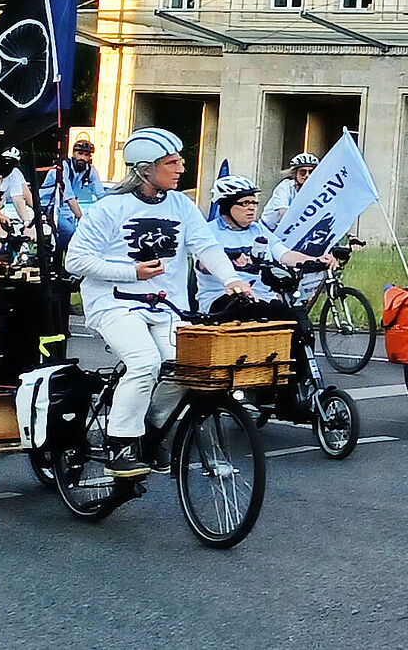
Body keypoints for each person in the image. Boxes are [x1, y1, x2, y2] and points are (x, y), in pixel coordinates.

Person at [65, 128, 253, 477]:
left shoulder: (181, 204)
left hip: (167, 306)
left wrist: (231, 279)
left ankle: (152, 428)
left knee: (187, 368)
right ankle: (120, 444)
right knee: (144, 362)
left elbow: (206, 246)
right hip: (114, 304)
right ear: (145, 169)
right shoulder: (110, 208)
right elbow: (75, 260)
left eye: (180, 161)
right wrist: (131, 272)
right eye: (171, 163)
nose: (181, 168)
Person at [194, 174, 339, 311]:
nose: (252, 207)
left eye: (254, 203)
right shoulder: (209, 232)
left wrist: (316, 259)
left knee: (294, 319)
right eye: (245, 203)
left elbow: (285, 255)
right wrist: (230, 257)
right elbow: (204, 265)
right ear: (227, 206)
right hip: (222, 298)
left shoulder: (259, 229)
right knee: (252, 310)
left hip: (262, 298)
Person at [39, 139, 107, 254]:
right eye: (80, 153)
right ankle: (57, 258)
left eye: (86, 155)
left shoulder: (89, 170)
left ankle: (64, 260)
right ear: (73, 154)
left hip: (67, 211)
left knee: (77, 235)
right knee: (69, 232)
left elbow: (101, 194)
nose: (82, 158)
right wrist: (81, 218)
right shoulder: (62, 168)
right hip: (48, 208)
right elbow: (69, 196)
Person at [261, 152, 319, 230]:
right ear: (295, 173)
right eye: (303, 172)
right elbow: (283, 212)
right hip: (269, 229)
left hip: (289, 229)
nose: (307, 175)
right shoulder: (285, 187)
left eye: (311, 172)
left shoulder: (313, 189)